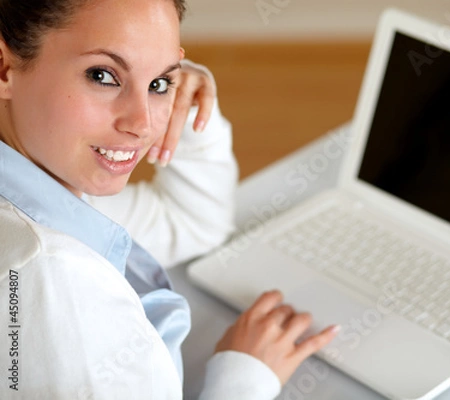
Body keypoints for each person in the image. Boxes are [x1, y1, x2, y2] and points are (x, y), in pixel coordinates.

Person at [0, 0, 339, 398]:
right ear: (4, 68)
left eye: (159, 83)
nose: (142, 124)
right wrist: (245, 377)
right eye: (103, 75)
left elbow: (190, 224)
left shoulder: (42, 189)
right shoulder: (54, 281)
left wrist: (192, 112)